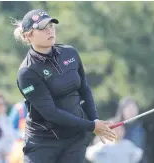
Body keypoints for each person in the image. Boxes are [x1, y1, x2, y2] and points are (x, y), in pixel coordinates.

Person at [12, 9, 117, 163]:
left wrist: (95, 121)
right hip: (43, 144)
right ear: (29, 35)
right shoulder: (27, 72)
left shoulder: (70, 53)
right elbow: (51, 113)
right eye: (42, 28)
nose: (50, 30)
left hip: (74, 139)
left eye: (51, 26)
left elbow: (84, 90)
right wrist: (91, 126)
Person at [115, 96, 148, 163]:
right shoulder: (114, 126)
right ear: (122, 110)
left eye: (134, 108)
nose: (132, 111)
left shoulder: (139, 130)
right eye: (128, 108)